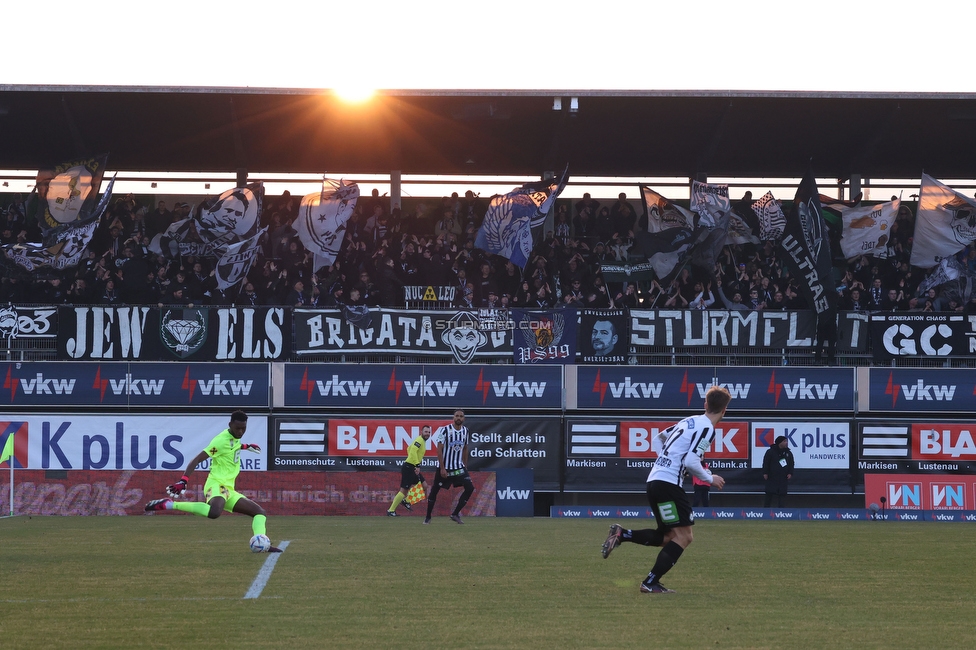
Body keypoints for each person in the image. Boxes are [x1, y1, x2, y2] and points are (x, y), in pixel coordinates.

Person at [601, 385, 731, 594]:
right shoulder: (707, 428)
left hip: (655, 480)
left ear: (705, 404)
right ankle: (649, 582)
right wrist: (709, 478)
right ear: (725, 410)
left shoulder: (689, 421)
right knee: (685, 537)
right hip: (668, 483)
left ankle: (623, 535)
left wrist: (667, 461)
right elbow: (690, 460)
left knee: (669, 536)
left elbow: (658, 438)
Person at [144, 410, 282, 553]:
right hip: (216, 484)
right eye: (238, 428)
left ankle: (262, 542)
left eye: (244, 428)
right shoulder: (220, 440)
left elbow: (232, 446)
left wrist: (245, 446)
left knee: (260, 512)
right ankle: (170, 504)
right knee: (214, 512)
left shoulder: (234, 438)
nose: (241, 432)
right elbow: (197, 459)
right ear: (230, 425)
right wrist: (183, 480)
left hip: (229, 489)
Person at [424, 410, 474, 525]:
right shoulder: (445, 430)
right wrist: (442, 468)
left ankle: (455, 514)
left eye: (461, 416)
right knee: (434, 491)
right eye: (457, 416)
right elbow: (439, 449)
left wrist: (465, 466)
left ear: (464, 419)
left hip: (458, 467)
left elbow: (465, 448)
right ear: (453, 417)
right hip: (445, 467)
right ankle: (428, 517)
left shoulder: (465, 431)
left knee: (470, 488)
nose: (459, 418)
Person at [387, 425, 432, 516]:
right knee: (404, 490)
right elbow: (412, 451)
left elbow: (409, 448)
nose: (427, 434)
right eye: (426, 432)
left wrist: (415, 463)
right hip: (409, 467)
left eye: (429, 432)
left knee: (424, 486)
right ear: (421, 432)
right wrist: (417, 464)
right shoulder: (419, 440)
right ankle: (391, 510)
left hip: (413, 466)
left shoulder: (422, 441)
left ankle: (406, 501)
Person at [762, 435, 794, 507]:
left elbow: (791, 464)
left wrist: (790, 473)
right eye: (784, 441)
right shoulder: (770, 452)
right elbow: (766, 462)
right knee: (769, 494)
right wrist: (765, 473)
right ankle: (765, 511)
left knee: (782, 494)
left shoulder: (788, 453)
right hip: (772, 476)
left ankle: (781, 511)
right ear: (780, 443)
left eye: (786, 441)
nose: (786, 443)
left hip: (783, 477)